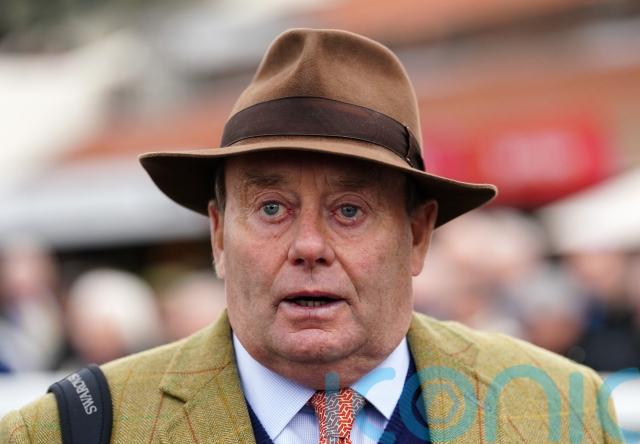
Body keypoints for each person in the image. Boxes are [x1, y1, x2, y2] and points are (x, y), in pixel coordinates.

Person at [0, 28, 623, 443]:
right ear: (219, 236)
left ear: (417, 236)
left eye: (349, 211)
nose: (308, 246)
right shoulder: (74, 429)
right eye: (271, 208)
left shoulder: (561, 409)